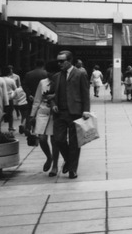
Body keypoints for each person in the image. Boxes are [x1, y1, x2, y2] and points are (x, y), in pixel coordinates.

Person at [50, 50, 91, 179]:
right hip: (60, 113)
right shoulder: (56, 76)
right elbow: (50, 95)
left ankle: (73, 169)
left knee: (74, 142)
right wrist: (53, 104)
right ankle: (68, 160)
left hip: (75, 112)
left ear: (69, 61)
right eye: (58, 61)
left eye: (62, 61)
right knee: (58, 139)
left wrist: (86, 110)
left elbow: (85, 93)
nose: (59, 63)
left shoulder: (80, 74)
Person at [31, 60, 61, 176]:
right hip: (42, 111)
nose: (50, 74)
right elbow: (37, 99)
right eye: (48, 71)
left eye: (52, 72)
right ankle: (49, 157)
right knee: (42, 139)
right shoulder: (42, 82)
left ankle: (55, 166)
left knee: (55, 140)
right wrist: (32, 115)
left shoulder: (60, 82)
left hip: (55, 112)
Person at [21, 61, 48, 137]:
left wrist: (28, 94)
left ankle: (28, 127)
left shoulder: (29, 74)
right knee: (40, 114)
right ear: (43, 65)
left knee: (30, 112)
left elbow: (24, 85)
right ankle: (38, 129)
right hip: (42, 97)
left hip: (31, 96)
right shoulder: (45, 74)